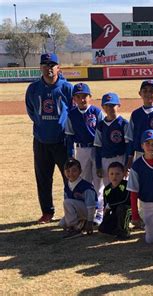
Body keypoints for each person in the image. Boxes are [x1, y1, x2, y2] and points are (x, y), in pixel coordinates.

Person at [25, 53, 74, 224]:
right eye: (45, 65)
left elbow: (74, 113)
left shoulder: (67, 88)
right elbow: (31, 111)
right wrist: (41, 124)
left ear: (58, 68)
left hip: (62, 141)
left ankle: (71, 210)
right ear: (40, 67)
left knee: (70, 177)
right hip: (41, 140)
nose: (49, 68)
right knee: (43, 178)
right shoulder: (33, 88)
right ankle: (47, 212)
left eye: (52, 64)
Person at [65, 83, 105, 225]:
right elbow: (69, 136)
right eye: (78, 97)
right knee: (84, 181)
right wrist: (71, 155)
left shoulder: (96, 111)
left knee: (98, 182)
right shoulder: (72, 114)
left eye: (85, 96)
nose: (82, 99)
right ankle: (86, 212)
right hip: (81, 149)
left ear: (90, 97)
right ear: (74, 99)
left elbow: (103, 133)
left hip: (96, 148)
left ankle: (100, 212)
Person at [125, 80, 153, 166]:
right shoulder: (136, 114)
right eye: (145, 91)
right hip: (140, 154)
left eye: (152, 91)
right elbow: (130, 138)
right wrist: (130, 158)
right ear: (140, 93)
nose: (148, 93)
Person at [94, 93, 129, 187]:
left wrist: (126, 164)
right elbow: (98, 146)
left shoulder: (124, 123)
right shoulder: (101, 125)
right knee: (108, 186)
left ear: (119, 106)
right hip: (105, 159)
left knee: (122, 185)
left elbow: (128, 146)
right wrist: (98, 166)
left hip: (120, 157)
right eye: (107, 105)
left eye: (113, 105)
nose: (109, 108)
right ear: (102, 107)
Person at [59, 158, 97, 239]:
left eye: (74, 170)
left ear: (80, 171)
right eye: (68, 171)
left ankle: (74, 229)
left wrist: (90, 221)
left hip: (87, 211)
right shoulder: (67, 185)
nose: (71, 173)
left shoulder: (86, 186)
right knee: (62, 224)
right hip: (78, 211)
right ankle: (81, 224)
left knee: (67, 202)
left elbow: (91, 206)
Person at [98, 162, 131, 240]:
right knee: (102, 228)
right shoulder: (107, 189)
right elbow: (106, 205)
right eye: (112, 174)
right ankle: (117, 230)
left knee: (121, 208)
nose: (114, 176)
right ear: (108, 175)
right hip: (115, 211)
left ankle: (124, 232)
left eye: (117, 174)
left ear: (123, 174)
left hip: (128, 210)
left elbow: (125, 200)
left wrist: (111, 206)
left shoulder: (126, 185)